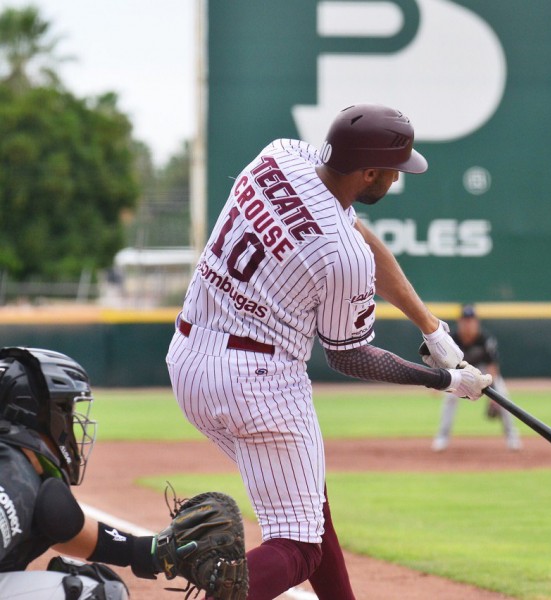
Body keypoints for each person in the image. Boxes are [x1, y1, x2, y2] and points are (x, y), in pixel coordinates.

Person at [166, 103, 493, 599]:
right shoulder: (340, 255)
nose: (396, 179)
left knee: (310, 506)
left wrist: (430, 328)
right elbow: (348, 355)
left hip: (190, 359)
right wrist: (444, 381)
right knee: (299, 548)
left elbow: (358, 236)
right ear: (367, 173)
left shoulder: (282, 155)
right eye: (392, 171)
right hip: (259, 383)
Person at [0, 346, 164, 599]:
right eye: (67, 410)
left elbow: (59, 524)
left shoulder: (17, 471)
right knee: (95, 593)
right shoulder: (11, 477)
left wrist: (145, 551)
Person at [432, 304, 521, 452]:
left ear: (476, 322)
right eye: (465, 320)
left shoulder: (485, 339)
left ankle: (512, 436)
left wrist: (493, 396)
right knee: (450, 398)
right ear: (459, 322)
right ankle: (442, 437)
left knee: (503, 396)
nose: (468, 324)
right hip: (459, 370)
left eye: (471, 320)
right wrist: (438, 383)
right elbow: (444, 362)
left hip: (483, 371)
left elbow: (492, 368)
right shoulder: (452, 338)